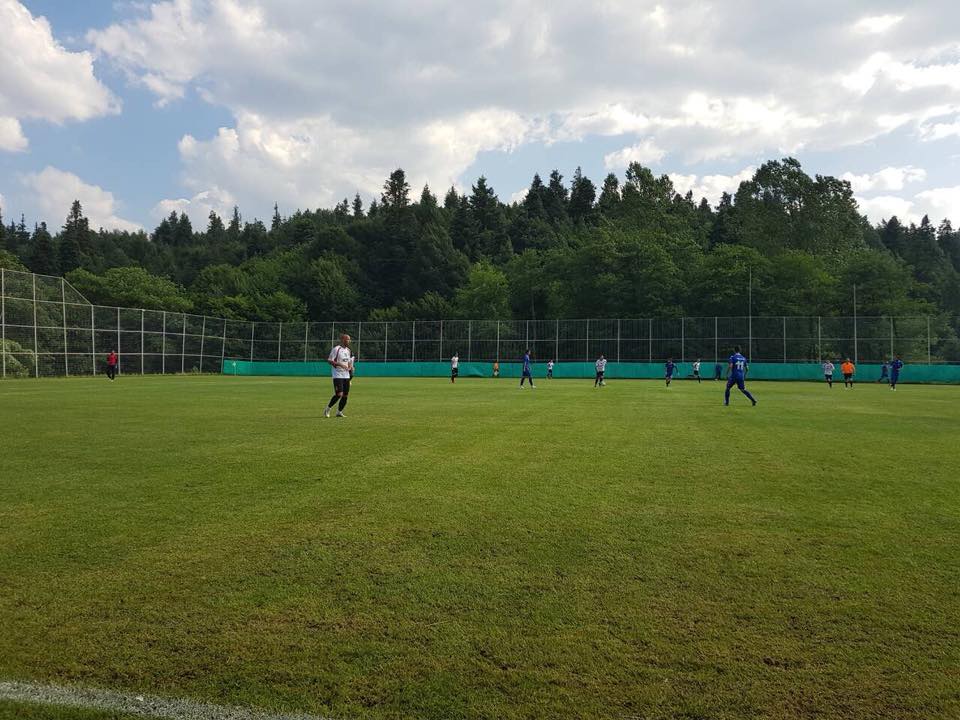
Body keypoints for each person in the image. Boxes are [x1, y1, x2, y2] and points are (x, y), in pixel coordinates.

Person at [324, 334, 354, 418]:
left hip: (346, 376)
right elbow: (329, 361)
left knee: (345, 395)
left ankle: (339, 412)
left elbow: (349, 362)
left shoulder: (348, 350)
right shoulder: (336, 349)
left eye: (349, 339)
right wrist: (340, 364)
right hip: (337, 374)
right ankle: (328, 409)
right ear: (343, 340)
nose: (349, 341)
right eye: (348, 339)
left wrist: (350, 367)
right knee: (339, 394)